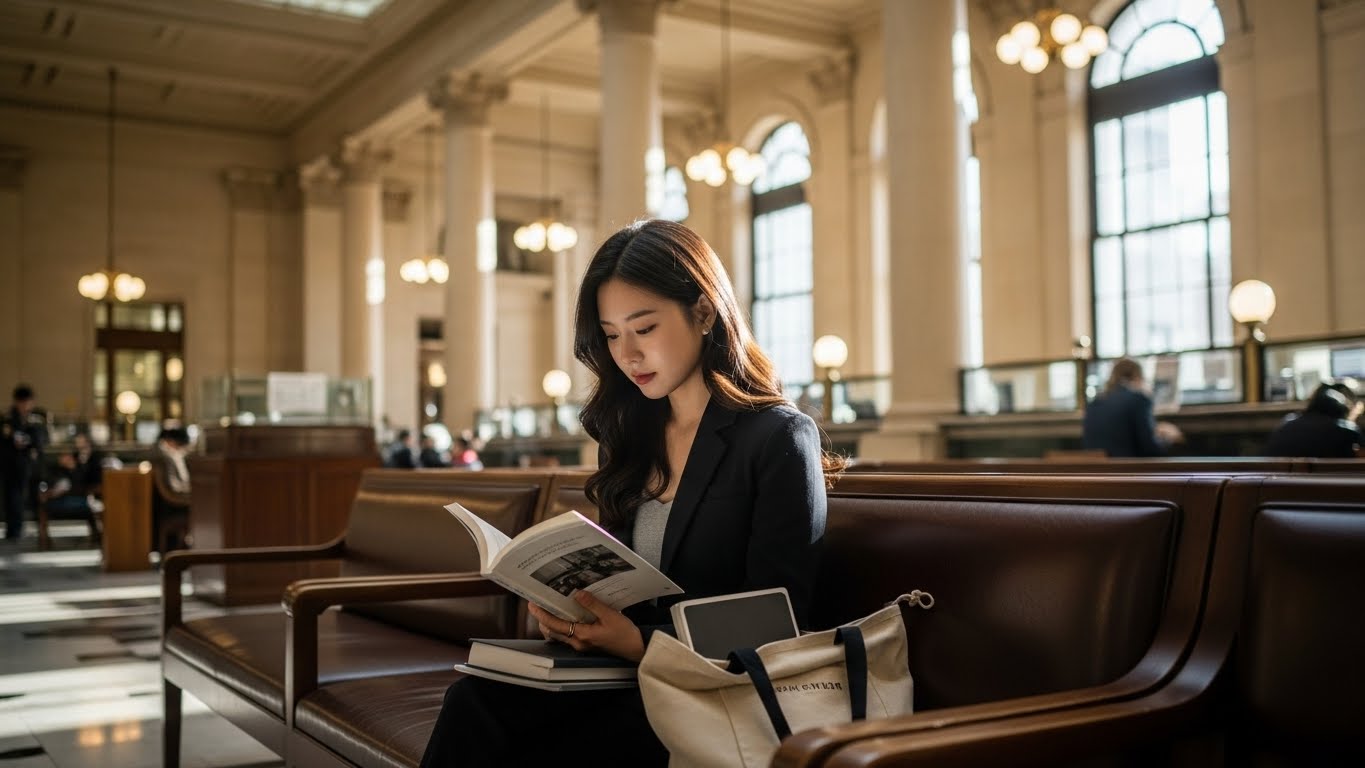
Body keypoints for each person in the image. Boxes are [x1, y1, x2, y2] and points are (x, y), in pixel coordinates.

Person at [419, 219, 843, 767]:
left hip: (712, 693)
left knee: (502, 724)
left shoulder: (776, 436)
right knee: (477, 698)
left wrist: (640, 643)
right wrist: (569, 608)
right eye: (612, 334)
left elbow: (780, 619)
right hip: (624, 675)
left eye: (644, 328)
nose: (628, 354)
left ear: (704, 312)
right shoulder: (630, 434)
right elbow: (622, 581)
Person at [1081, 358, 1183, 457]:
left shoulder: (1094, 403)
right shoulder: (1139, 399)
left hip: (1096, 470)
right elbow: (1150, 448)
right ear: (1137, 376)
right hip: (1129, 469)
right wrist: (1168, 438)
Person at [1264, 381, 1363, 458]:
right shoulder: (1347, 431)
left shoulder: (1286, 425)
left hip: (1277, 482)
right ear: (1340, 410)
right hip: (1328, 482)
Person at [2, 384, 48, 541]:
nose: (25, 405)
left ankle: (35, 528)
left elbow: (42, 441)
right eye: (22, 402)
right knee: (13, 497)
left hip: (31, 465)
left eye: (27, 402)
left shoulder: (36, 419)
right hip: (11, 464)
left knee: (32, 497)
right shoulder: (7, 419)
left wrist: (30, 443)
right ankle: (14, 530)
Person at [41, 432, 104, 544]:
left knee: (91, 504)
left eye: (82, 443)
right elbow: (56, 481)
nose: (79, 445)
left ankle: (97, 534)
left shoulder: (94, 458)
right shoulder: (67, 463)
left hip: (85, 493)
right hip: (67, 494)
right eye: (77, 443)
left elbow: (90, 481)